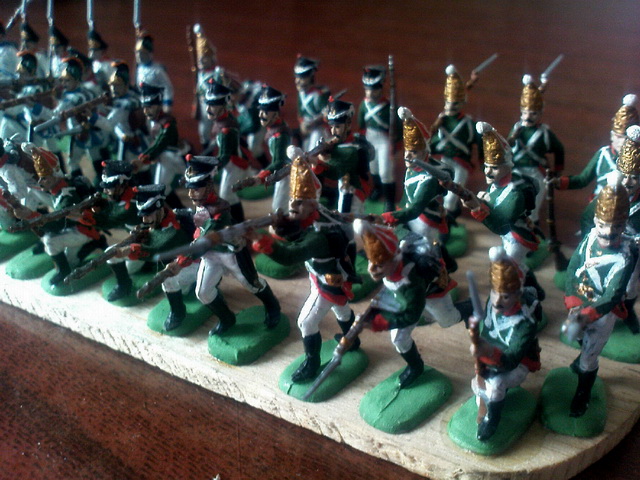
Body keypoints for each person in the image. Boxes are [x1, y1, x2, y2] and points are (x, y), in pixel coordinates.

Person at [251, 155, 358, 383]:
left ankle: (312, 362)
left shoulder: (318, 235)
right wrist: (281, 227)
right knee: (341, 310)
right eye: (293, 199)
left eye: (299, 202)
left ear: (312, 203)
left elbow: (290, 256)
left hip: (325, 281)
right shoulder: (317, 215)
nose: (292, 205)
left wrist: (262, 240)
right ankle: (354, 340)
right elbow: (297, 232)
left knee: (306, 322)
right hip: (330, 274)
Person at [563, 171, 637, 417]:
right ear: (596, 220)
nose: (607, 232)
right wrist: (572, 301)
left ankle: (582, 394)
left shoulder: (624, 257)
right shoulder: (589, 238)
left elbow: (612, 296)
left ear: (623, 225)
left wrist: (586, 315)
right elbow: (573, 268)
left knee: (589, 358)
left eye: (615, 226)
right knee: (577, 337)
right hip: (578, 304)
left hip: (601, 313)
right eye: (603, 225)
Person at [354, 220, 460, 388]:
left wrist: (377, 322)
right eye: (371, 261)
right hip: (405, 299)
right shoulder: (392, 267)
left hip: (431, 295)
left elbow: (410, 315)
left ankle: (470, 311)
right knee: (399, 338)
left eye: (379, 264)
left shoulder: (410, 282)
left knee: (449, 320)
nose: (372, 269)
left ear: (394, 259)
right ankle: (416, 366)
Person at [183, 156, 281, 333]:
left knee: (252, 284)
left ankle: (273, 306)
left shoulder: (221, 208)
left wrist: (194, 248)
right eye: (190, 189)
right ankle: (227, 318)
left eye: (196, 189)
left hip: (230, 253)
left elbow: (209, 230)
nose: (191, 194)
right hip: (211, 255)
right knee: (203, 292)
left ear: (208, 186)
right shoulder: (200, 204)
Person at [468, 246, 541, 441]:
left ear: (517, 294)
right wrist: (480, 346)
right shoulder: (490, 305)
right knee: (482, 382)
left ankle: (492, 419)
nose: (497, 301)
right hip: (491, 359)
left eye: (505, 296)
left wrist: (487, 352)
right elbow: (487, 331)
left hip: (518, 363)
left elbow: (511, 360)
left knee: (497, 384)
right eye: (495, 292)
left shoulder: (525, 323)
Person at [429, 64, 483, 223]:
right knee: (435, 191)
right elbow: (431, 136)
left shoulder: (468, 123)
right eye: (448, 102)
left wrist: (482, 161)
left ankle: (446, 224)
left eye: (454, 103)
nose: (449, 106)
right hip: (443, 160)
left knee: (451, 197)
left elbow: (479, 142)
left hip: (460, 163)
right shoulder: (442, 119)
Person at [508, 74, 564, 223]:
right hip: (516, 170)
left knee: (532, 209)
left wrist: (557, 171)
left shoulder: (545, 133)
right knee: (512, 202)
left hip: (536, 172)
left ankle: (531, 230)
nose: (528, 117)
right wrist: (513, 137)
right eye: (525, 113)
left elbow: (559, 149)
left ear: (540, 113)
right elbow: (507, 146)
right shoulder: (517, 128)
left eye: (533, 113)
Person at [132, 82, 184, 208]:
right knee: (161, 190)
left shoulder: (167, 122)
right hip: (164, 158)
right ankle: (180, 213)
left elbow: (161, 143)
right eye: (145, 107)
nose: (146, 110)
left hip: (175, 158)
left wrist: (144, 158)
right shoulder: (152, 121)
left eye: (150, 106)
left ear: (159, 105)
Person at [357, 65, 401, 212]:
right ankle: (378, 189)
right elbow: (361, 124)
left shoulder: (389, 107)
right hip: (370, 138)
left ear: (380, 88)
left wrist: (395, 144)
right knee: (373, 167)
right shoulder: (364, 105)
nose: (370, 92)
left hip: (384, 141)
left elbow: (398, 128)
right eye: (367, 89)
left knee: (385, 172)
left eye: (373, 89)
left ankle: (389, 201)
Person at [294, 55, 330, 151]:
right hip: (307, 129)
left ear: (310, 77)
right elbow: (301, 113)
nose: (297, 81)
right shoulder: (301, 94)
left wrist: (314, 122)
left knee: (313, 150)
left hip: (319, 129)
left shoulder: (319, 94)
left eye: (302, 78)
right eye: (297, 77)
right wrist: (302, 124)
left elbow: (326, 116)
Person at [135, 31, 174, 113]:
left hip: (155, 104)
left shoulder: (157, 70)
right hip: (143, 103)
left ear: (149, 54)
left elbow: (167, 87)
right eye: (137, 53)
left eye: (142, 53)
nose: (139, 56)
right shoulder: (139, 69)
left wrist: (167, 102)